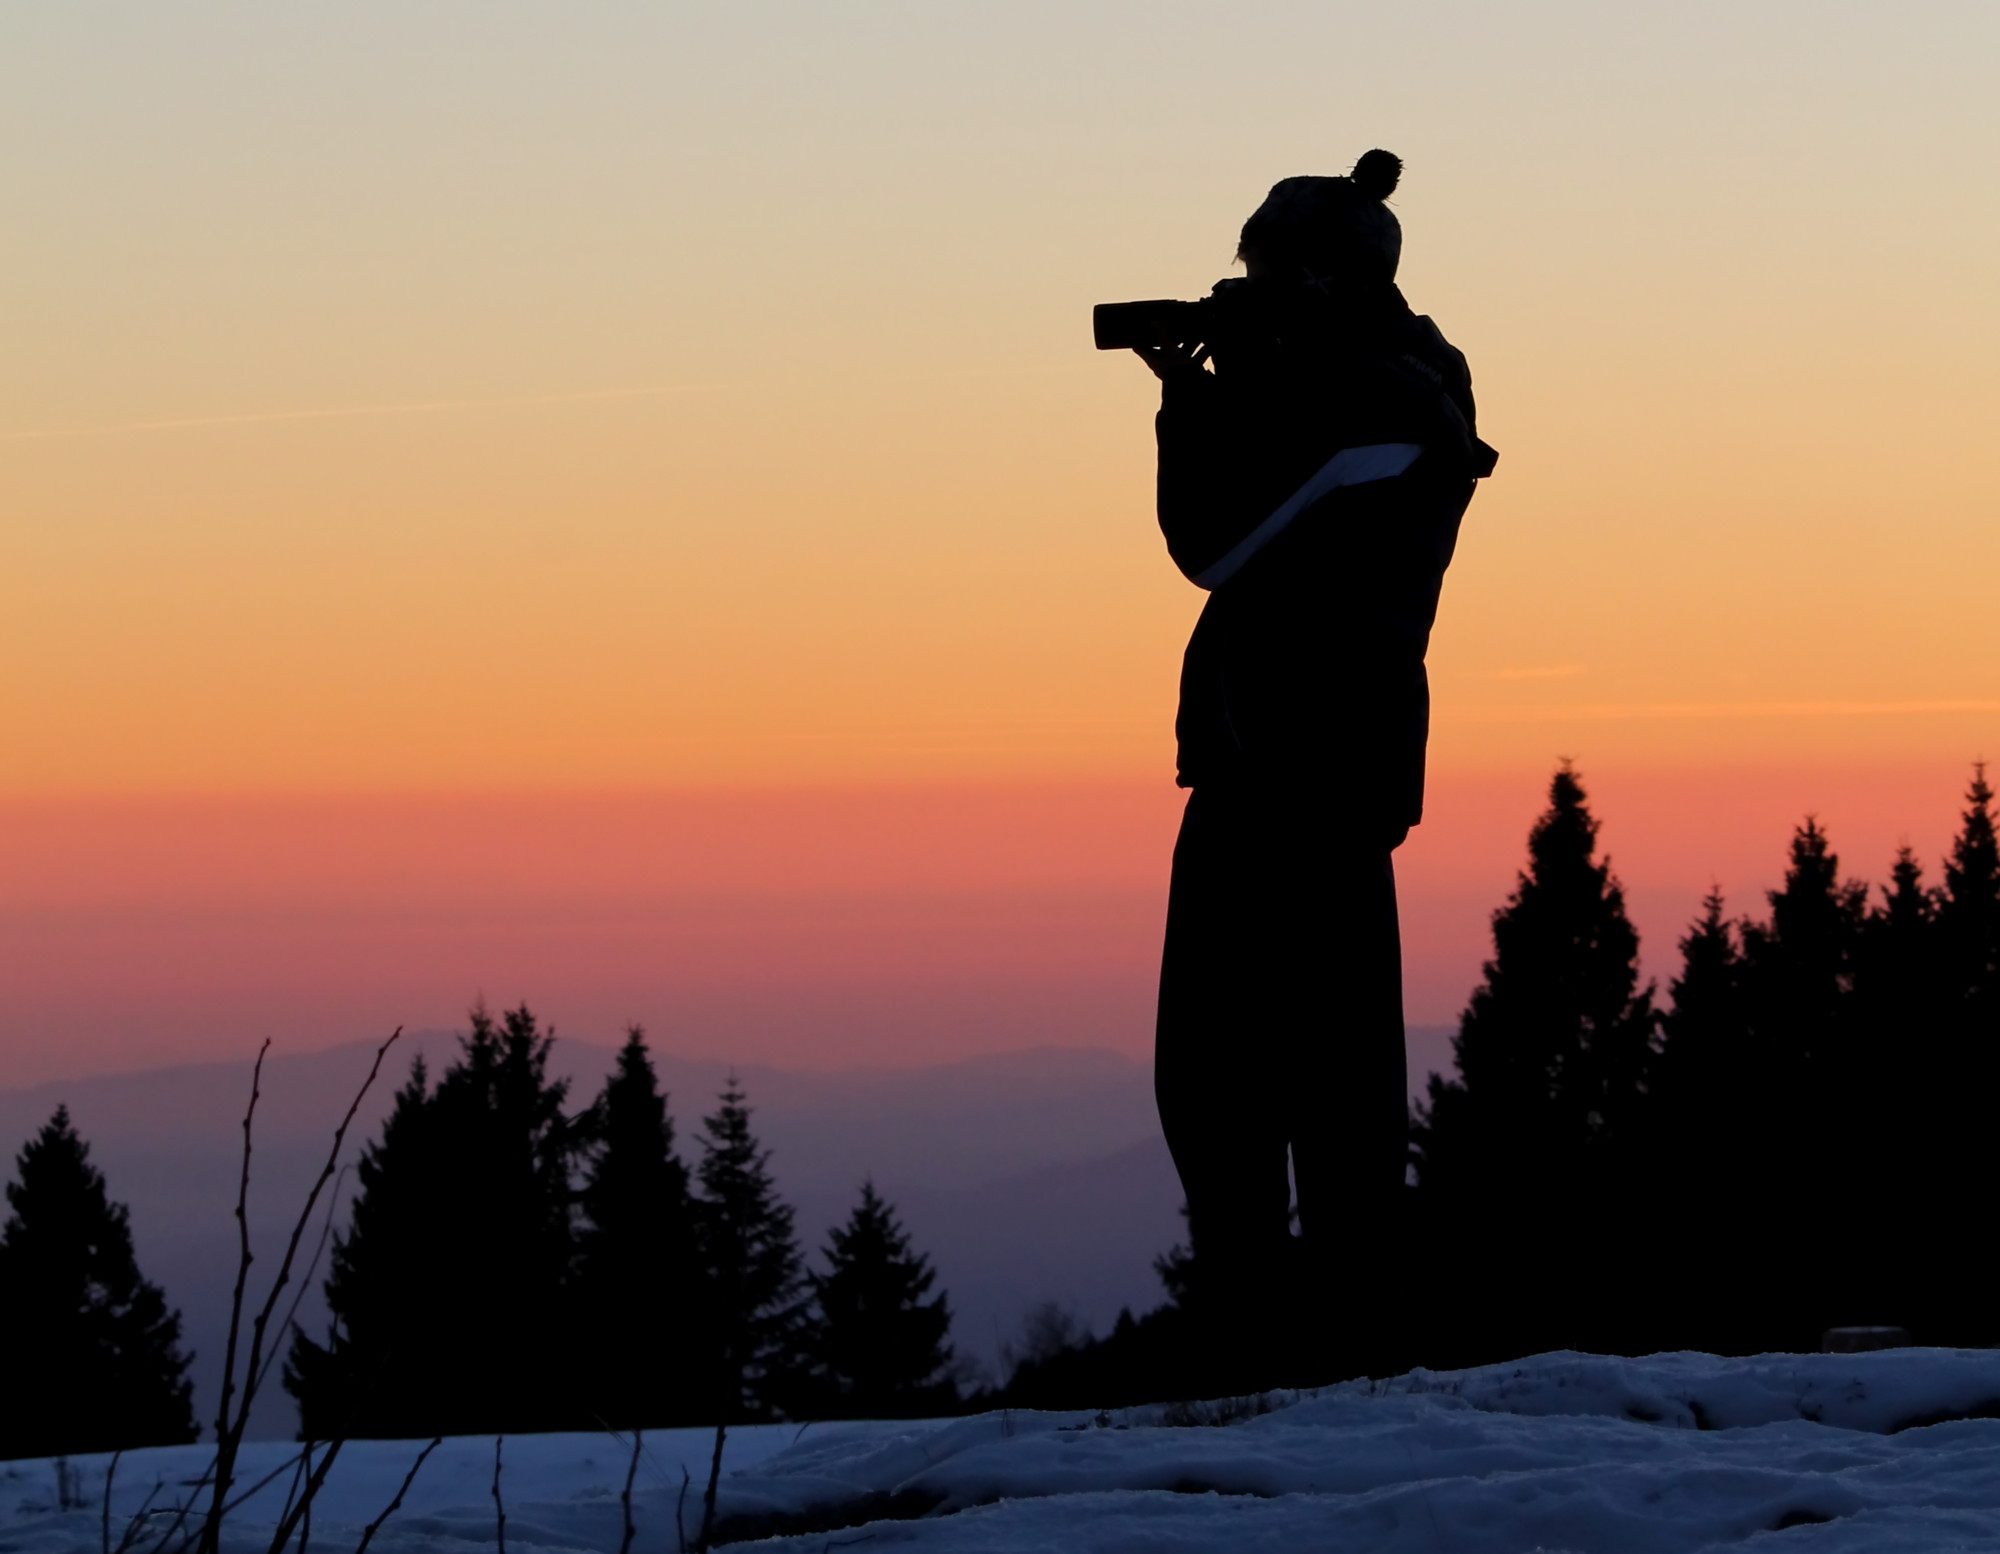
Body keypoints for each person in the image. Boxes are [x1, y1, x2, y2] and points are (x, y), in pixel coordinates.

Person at [1136, 150, 1495, 1388]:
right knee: (1279, 1077)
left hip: (1295, 777)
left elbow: (1216, 540)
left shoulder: (1372, 408)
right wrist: (1252, 373)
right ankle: (1315, 1365)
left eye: (1263, 273)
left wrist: (1194, 404)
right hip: (1305, 773)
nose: (1243, 294)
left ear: (1326, 279)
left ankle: (1297, 1367)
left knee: (1254, 1079)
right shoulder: (1370, 390)